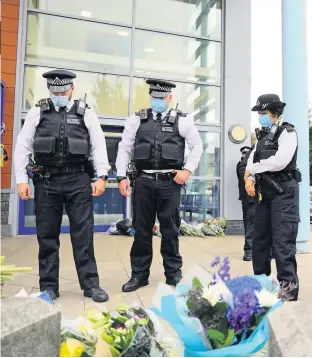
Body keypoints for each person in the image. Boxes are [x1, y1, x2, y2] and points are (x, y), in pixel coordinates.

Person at [14, 69, 110, 302]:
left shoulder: (86, 113)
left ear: (72, 89)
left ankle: (91, 285)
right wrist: (21, 180)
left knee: (83, 234)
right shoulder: (38, 112)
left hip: (78, 180)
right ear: (49, 90)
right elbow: (23, 146)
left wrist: (101, 176)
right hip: (47, 181)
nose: (59, 94)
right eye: (54, 91)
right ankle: (48, 287)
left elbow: (98, 146)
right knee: (46, 235)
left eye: (63, 90)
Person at [116, 79, 203, 292]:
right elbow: (124, 148)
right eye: (154, 98)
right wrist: (121, 176)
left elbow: (197, 146)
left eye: (162, 98)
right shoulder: (136, 120)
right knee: (142, 231)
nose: (158, 101)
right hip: (143, 182)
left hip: (169, 183)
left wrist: (188, 170)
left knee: (170, 230)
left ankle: (173, 274)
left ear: (170, 98)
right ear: (150, 97)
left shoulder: (183, 121)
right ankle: (139, 276)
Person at [244, 94, 300, 300]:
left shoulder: (288, 132)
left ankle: (288, 291)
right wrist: (249, 178)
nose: (260, 117)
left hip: (283, 192)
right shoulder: (262, 136)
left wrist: (253, 169)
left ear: (275, 113)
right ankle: (261, 286)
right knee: (259, 241)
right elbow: (250, 161)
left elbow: (280, 161)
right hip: (264, 193)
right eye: (259, 113)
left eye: (263, 113)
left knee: (283, 243)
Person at [237, 145, 255, 261]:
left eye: (246, 153)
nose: (244, 155)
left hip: (254, 198)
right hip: (248, 199)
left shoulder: (249, 165)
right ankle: (249, 251)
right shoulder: (242, 166)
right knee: (250, 225)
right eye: (243, 153)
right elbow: (244, 176)